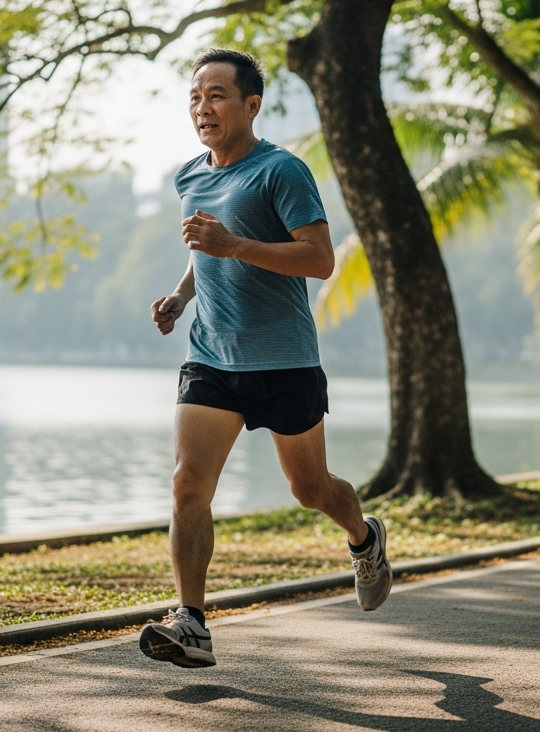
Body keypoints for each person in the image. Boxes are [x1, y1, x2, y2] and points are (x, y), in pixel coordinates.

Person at [138, 48, 392, 669]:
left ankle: (364, 538)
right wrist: (180, 293)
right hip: (212, 357)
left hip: (282, 360)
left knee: (310, 490)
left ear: (252, 105)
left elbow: (319, 259)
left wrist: (234, 244)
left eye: (218, 95)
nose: (204, 107)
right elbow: (207, 253)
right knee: (187, 485)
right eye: (196, 97)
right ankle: (192, 622)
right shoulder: (189, 176)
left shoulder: (282, 171)